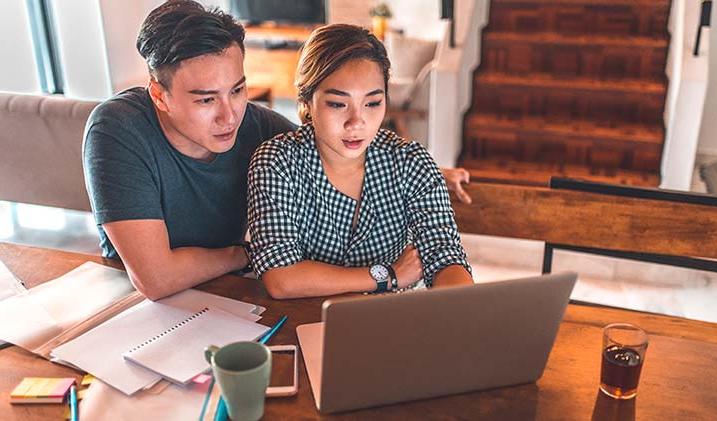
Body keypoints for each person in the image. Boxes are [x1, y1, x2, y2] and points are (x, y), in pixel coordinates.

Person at [83, 1, 471, 300]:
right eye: (206, 100)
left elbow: (335, 144)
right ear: (160, 95)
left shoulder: (256, 126)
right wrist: (249, 255)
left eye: (237, 89)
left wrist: (431, 171)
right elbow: (155, 278)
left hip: (230, 297)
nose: (229, 115)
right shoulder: (118, 129)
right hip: (135, 306)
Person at [246, 24, 473, 299]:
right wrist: (388, 275)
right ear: (307, 101)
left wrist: (462, 310)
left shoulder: (412, 163)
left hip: (388, 321)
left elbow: (445, 256)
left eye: (373, 103)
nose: (357, 122)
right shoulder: (276, 163)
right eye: (338, 104)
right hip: (303, 319)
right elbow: (281, 278)